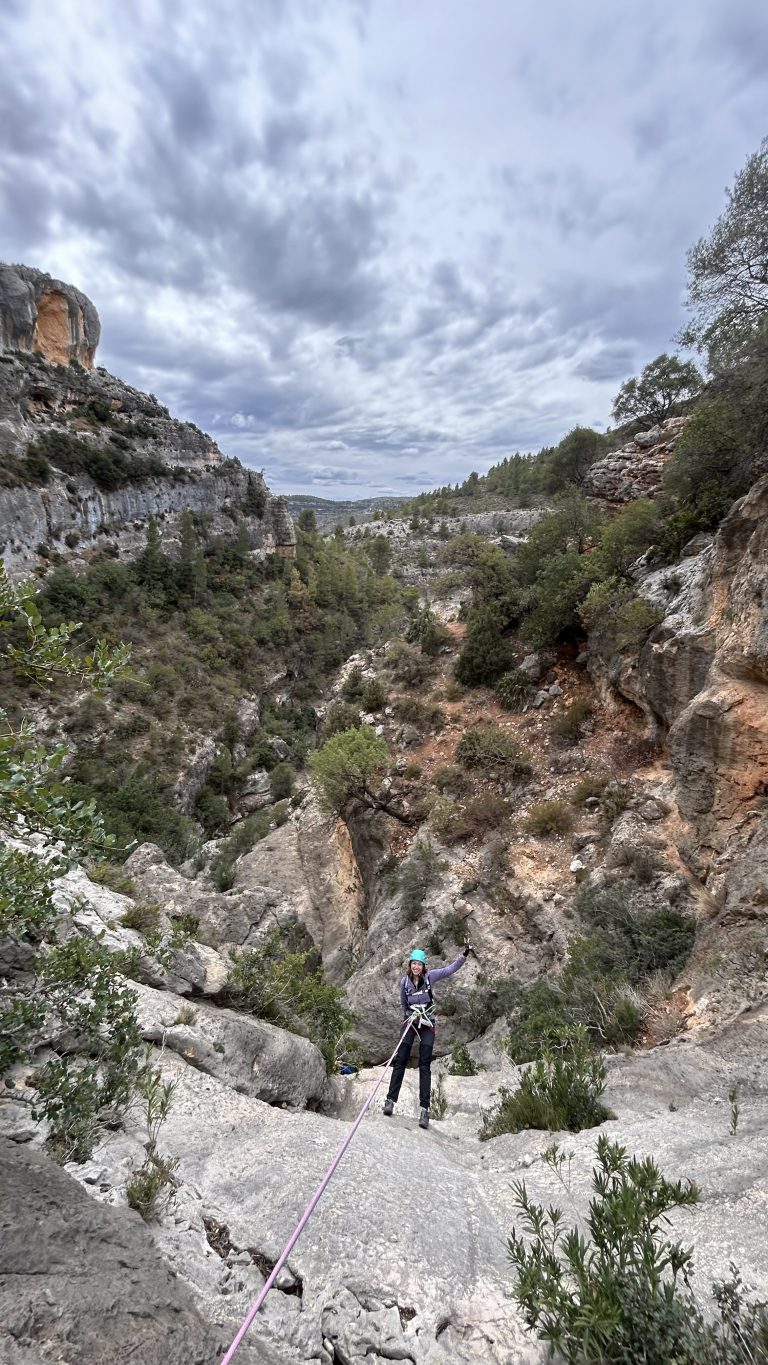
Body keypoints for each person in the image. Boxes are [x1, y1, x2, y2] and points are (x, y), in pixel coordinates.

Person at [383, 943, 471, 1129]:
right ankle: (390, 1101)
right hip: (411, 1022)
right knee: (400, 1060)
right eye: (413, 963)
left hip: (427, 1024)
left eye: (419, 964)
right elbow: (403, 1003)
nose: (416, 967)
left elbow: (449, 970)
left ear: (424, 966)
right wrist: (409, 1017)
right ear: (410, 965)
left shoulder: (430, 977)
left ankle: (424, 1110)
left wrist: (463, 955)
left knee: (424, 1064)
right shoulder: (404, 982)